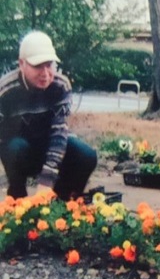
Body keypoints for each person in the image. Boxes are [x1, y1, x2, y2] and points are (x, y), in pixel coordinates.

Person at [0, 31, 97, 200]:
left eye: (49, 65)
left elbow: (59, 136)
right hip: (18, 150)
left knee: (86, 155)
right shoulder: (5, 90)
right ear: (22, 64)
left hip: (49, 144)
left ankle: (61, 202)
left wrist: (47, 180)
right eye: (38, 66)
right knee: (16, 147)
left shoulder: (61, 86)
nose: (45, 73)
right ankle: (17, 198)